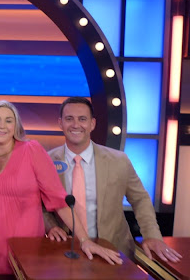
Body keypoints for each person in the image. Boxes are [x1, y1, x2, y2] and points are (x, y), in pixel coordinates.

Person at [0, 100, 122, 275]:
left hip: (25, 254)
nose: (2, 125)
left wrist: (84, 239)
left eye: (9, 120)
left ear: (16, 126)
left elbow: (59, 200)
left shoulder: (32, 150)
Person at [45, 96, 182, 263]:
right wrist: (51, 226)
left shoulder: (119, 161)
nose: (75, 125)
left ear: (92, 124)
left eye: (82, 119)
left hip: (114, 251)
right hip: (67, 251)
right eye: (69, 119)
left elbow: (140, 200)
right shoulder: (46, 161)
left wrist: (152, 236)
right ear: (60, 123)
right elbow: (38, 205)